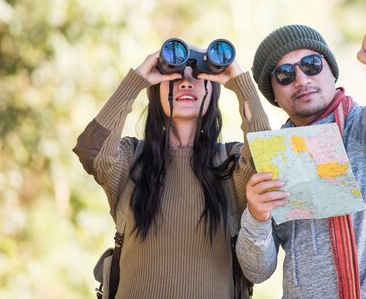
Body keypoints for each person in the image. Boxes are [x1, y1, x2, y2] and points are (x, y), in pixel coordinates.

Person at [236, 22, 366, 298]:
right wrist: (256, 217)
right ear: (273, 94)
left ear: (330, 69)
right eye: (285, 74)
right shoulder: (274, 157)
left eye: (311, 64)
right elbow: (257, 271)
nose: (301, 80)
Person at [73, 40, 269, 299]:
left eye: (198, 75)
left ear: (214, 89)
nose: (186, 82)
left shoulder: (230, 164)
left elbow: (268, 160)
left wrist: (241, 83)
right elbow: (91, 151)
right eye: (175, 76)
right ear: (156, 88)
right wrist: (137, 81)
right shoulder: (132, 160)